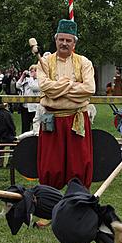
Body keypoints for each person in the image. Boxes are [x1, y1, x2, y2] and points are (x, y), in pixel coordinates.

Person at [36, 19, 96, 189]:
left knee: (79, 163)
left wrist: (58, 88)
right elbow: (45, 87)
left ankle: (77, 204)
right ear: (55, 40)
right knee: (50, 165)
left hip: (77, 119)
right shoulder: (45, 62)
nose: (64, 43)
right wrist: (71, 84)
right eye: (61, 39)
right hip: (51, 120)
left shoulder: (84, 62)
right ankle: (48, 205)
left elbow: (89, 89)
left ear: (74, 42)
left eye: (68, 40)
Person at [16, 65, 40, 133]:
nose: (31, 73)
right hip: (25, 107)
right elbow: (17, 85)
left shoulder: (39, 80)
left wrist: (31, 77)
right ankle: (24, 141)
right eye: (30, 71)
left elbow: (33, 87)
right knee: (25, 127)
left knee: (35, 126)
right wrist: (22, 76)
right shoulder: (27, 80)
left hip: (34, 107)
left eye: (33, 71)